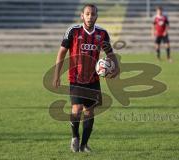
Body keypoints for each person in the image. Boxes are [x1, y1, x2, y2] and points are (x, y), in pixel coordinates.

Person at [52, 4, 119, 153]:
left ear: (96, 16)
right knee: (76, 109)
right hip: (76, 78)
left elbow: (110, 53)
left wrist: (117, 67)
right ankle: (75, 137)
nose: (90, 17)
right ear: (82, 15)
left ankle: (84, 145)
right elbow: (61, 52)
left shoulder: (102, 33)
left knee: (89, 112)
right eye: (87, 14)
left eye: (93, 14)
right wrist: (56, 74)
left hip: (93, 79)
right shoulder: (73, 31)